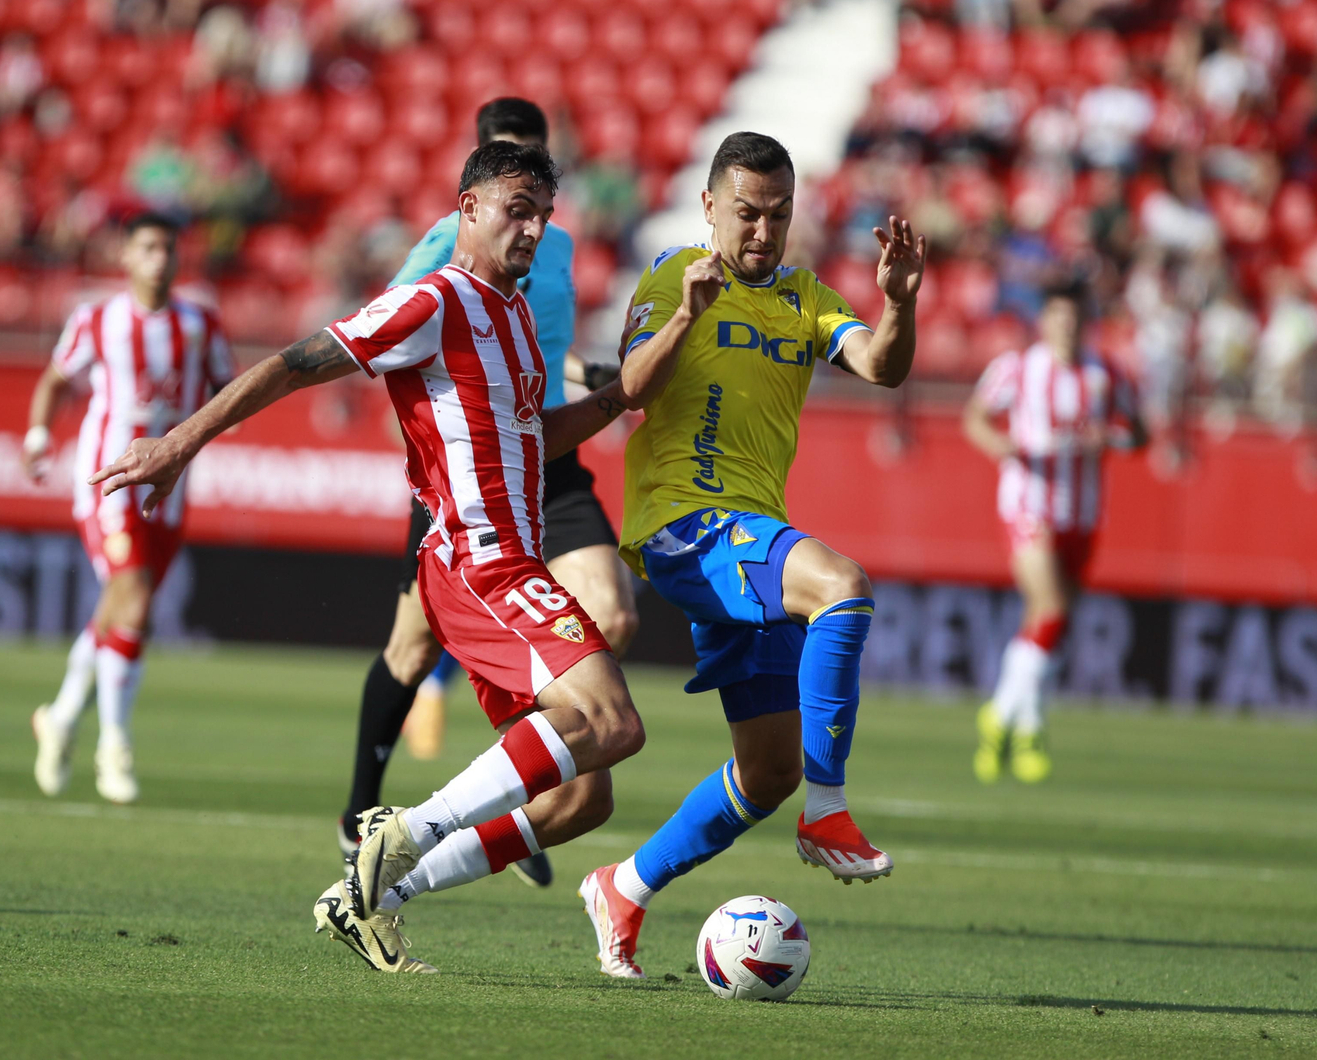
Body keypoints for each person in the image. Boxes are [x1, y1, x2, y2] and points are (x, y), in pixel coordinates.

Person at [88, 143, 723, 973]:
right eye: (517, 209)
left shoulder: (513, 317)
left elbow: (532, 438)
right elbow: (292, 365)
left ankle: (372, 897)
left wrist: (627, 386)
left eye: (543, 215)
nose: (533, 229)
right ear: (468, 209)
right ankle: (406, 829)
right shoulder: (433, 302)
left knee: (582, 798)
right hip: (478, 564)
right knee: (614, 722)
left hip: (509, 565)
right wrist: (179, 442)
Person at [579, 132, 927, 980]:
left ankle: (623, 886)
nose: (763, 231)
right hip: (684, 524)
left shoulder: (806, 298)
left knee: (767, 770)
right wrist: (689, 314)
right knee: (842, 586)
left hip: (749, 535)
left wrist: (899, 304)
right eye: (746, 213)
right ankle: (829, 809)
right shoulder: (673, 277)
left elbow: (881, 367)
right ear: (709, 208)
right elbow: (630, 388)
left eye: (778, 214)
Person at [339, 98, 639, 892]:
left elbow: (538, 343)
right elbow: (405, 335)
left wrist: (592, 378)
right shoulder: (443, 247)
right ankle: (360, 815)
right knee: (412, 648)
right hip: (467, 468)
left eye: (537, 182)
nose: (528, 213)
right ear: (474, 188)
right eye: (510, 180)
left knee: (615, 615)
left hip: (545, 447)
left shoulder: (557, 245)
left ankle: (526, 773)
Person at [23, 212, 234, 805]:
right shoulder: (97, 319)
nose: (159, 258)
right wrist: (38, 437)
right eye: (147, 248)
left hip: (168, 487)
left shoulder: (200, 324)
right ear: (126, 256)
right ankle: (113, 745)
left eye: (167, 248)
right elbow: (55, 380)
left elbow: (226, 391)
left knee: (121, 605)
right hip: (107, 481)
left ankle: (61, 716)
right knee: (133, 597)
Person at [963, 282, 1145, 784]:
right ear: (1044, 321)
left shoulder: (1107, 373)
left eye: (1075, 318)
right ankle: (1020, 722)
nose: (1067, 326)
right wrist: (999, 445)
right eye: (1059, 317)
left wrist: (1111, 437)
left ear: (1086, 323)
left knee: (1047, 623)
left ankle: (1011, 721)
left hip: (1082, 513)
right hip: (1028, 504)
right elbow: (975, 418)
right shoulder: (1017, 368)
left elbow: (1139, 433)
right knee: (1052, 606)